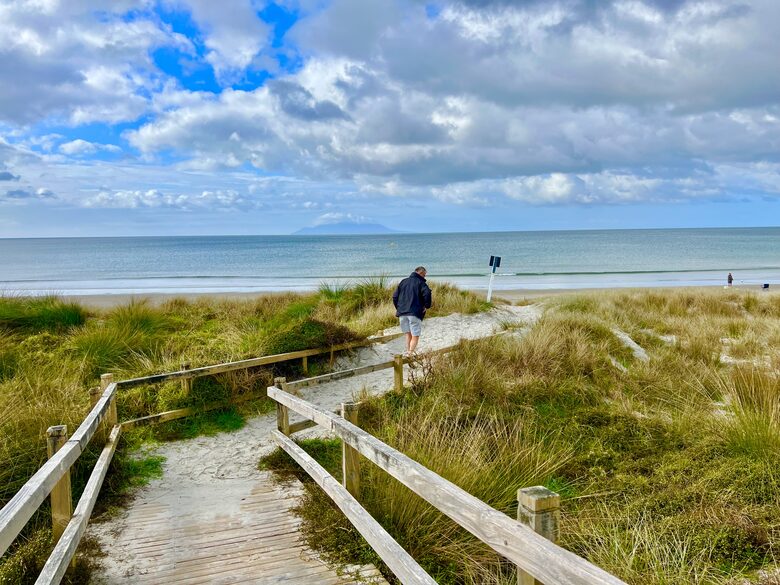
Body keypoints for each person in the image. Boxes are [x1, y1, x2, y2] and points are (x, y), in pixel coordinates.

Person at [392, 266, 432, 355]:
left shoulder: (403, 281)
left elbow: (395, 297)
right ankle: (410, 354)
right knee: (415, 335)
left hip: (402, 313)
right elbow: (427, 293)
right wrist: (426, 306)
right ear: (421, 273)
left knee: (408, 334)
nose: (424, 277)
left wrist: (399, 308)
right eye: (424, 275)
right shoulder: (421, 282)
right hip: (414, 313)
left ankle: (408, 352)